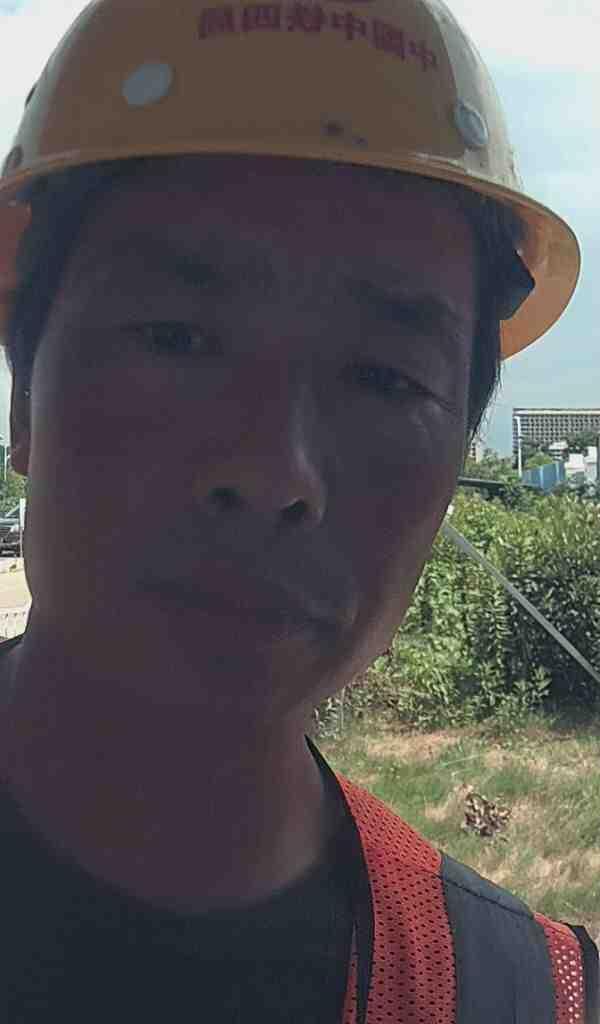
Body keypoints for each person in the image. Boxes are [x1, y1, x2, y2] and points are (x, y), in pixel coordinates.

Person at [0, 0, 597, 1020]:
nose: (275, 471)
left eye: (385, 378)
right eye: (177, 337)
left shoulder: (519, 998)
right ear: (24, 401)